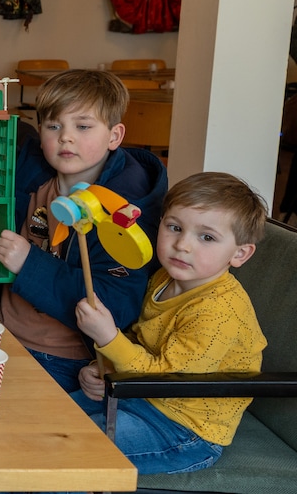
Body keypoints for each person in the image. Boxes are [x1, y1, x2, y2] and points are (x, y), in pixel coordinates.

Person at [72, 172, 266, 475]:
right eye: (174, 227)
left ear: (240, 253)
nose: (182, 245)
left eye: (207, 237)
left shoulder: (218, 312)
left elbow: (166, 382)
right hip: (138, 398)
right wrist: (106, 367)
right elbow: (143, 341)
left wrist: (109, 338)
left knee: (70, 452)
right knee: (52, 421)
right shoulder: (165, 278)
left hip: (185, 430)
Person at [0, 69, 168, 392]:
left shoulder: (123, 209)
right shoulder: (31, 175)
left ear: (115, 136)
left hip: (58, 357)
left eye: (83, 126)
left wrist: (30, 264)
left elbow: (116, 305)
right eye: (53, 126)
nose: (65, 137)